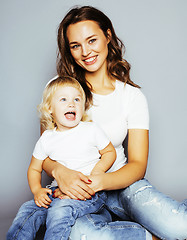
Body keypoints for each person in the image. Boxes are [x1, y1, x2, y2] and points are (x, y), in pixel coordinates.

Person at [41, 5, 187, 240]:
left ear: (108, 36)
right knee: (82, 235)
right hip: (76, 193)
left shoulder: (132, 96)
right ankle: (151, 236)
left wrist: (100, 181)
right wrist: (60, 172)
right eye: (75, 46)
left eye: (92, 40)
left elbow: (138, 164)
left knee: (181, 227)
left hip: (122, 185)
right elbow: (45, 150)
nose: (85, 52)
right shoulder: (59, 89)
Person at [7, 76, 117, 240]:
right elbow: (34, 168)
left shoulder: (90, 129)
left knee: (60, 211)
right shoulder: (47, 138)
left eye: (77, 99)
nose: (71, 104)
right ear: (50, 108)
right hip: (56, 191)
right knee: (28, 210)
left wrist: (97, 172)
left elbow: (110, 152)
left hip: (88, 191)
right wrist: (37, 190)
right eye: (64, 99)